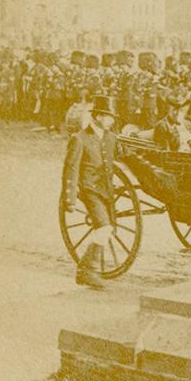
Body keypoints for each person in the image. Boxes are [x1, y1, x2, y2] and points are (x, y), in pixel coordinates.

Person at [62, 96, 120, 290]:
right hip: (89, 190)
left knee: (108, 227)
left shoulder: (110, 137)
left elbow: (126, 155)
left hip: (106, 191)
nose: (112, 121)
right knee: (104, 228)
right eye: (109, 117)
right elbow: (71, 169)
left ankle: (90, 270)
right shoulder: (79, 138)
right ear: (99, 117)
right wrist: (69, 199)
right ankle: (86, 271)